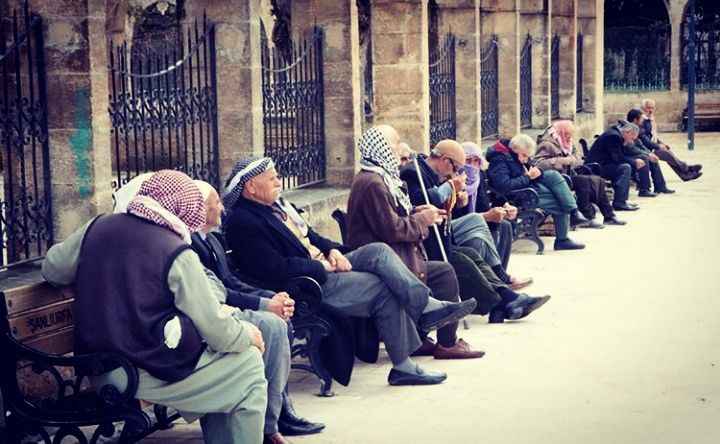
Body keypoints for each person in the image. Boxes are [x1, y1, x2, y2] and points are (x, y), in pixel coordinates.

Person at [42, 170, 268, 444]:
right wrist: (248, 335)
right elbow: (217, 331)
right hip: (140, 374)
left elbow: (53, 268)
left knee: (228, 376)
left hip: (99, 370)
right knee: (248, 367)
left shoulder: (98, 226)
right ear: (181, 209)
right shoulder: (176, 251)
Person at [222, 156, 477, 386]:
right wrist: (322, 265)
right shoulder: (244, 221)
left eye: (278, 175)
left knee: (377, 251)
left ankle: (425, 308)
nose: (279, 180)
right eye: (271, 178)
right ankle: (405, 359)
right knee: (382, 287)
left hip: (325, 265)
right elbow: (272, 269)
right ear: (251, 187)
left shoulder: (279, 207)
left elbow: (311, 236)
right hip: (307, 283)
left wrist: (331, 250)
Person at [190, 181, 325, 442]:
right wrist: (266, 304)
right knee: (274, 324)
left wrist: (270, 297)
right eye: (215, 203)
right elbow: (217, 294)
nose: (221, 208)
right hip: (214, 316)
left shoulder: (213, 239)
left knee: (279, 318)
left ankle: (275, 414)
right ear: (198, 210)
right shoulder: (192, 245)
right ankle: (271, 420)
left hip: (231, 305)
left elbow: (230, 282)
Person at [395, 136, 549, 325]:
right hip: (425, 243)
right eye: (455, 167)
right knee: (462, 259)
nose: (456, 173)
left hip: (442, 237)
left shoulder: (436, 173)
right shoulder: (413, 172)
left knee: (471, 254)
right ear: (444, 160)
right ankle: (502, 303)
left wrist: (457, 198)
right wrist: (450, 187)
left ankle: (505, 298)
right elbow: (425, 200)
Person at [487, 134, 587, 251]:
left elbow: (529, 169)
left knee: (553, 175)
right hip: (516, 196)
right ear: (514, 149)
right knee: (560, 202)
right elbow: (504, 186)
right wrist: (528, 177)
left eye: (528, 156)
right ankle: (563, 237)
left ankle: (574, 212)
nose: (526, 159)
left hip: (527, 187)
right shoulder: (499, 160)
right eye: (524, 155)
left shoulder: (515, 155)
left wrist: (538, 171)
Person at [534, 121, 625, 226]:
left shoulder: (568, 143)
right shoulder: (547, 144)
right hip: (557, 179)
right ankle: (586, 217)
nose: (569, 137)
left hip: (569, 174)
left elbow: (578, 158)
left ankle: (609, 216)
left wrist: (573, 160)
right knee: (583, 182)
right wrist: (564, 161)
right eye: (567, 134)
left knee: (598, 180)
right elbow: (539, 164)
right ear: (560, 132)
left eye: (571, 134)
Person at [454, 141, 518, 270]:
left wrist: (506, 206)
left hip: (480, 219)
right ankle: (493, 277)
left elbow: (492, 194)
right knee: (484, 233)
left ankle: (500, 273)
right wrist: (486, 216)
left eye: (476, 161)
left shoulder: (480, 176)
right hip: (462, 226)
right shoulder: (453, 180)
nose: (472, 165)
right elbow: (456, 215)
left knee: (505, 225)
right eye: (468, 160)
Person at [641, 98, 702, 181]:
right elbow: (645, 140)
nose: (650, 110)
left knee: (669, 153)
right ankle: (686, 168)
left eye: (652, 108)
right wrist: (658, 146)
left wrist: (662, 143)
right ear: (643, 108)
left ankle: (684, 175)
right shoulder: (642, 121)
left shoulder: (651, 119)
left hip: (653, 146)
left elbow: (653, 136)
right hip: (647, 149)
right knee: (667, 155)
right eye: (648, 107)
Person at [585, 120, 641, 211]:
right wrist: (634, 162)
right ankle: (620, 202)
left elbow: (617, 156)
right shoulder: (613, 136)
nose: (632, 141)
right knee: (625, 168)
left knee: (625, 167)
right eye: (632, 138)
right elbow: (617, 158)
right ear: (627, 132)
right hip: (595, 167)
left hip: (603, 164)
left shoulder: (616, 134)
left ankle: (621, 200)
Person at [625, 109, 674, 195]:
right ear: (635, 120)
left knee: (652, 158)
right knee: (645, 158)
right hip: (627, 155)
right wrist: (647, 154)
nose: (643, 120)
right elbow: (632, 147)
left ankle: (660, 186)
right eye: (641, 118)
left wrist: (649, 153)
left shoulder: (636, 127)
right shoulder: (629, 129)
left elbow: (639, 144)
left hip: (633, 152)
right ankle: (644, 189)